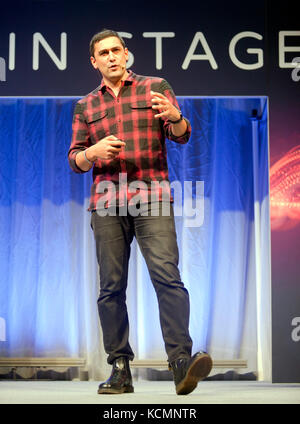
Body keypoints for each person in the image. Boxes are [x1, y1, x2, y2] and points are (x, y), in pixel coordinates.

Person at [68, 29, 212, 395]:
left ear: (126, 53)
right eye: (104, 52)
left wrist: (177, 117)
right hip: (106, 202)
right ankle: (119, 369)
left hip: (152, 197)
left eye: (117, 50)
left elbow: (181, 135)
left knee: (168, 276)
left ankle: (181, 363)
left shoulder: (155, 87)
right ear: (94, 61)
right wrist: (92, 153)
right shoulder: (86, 105)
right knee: (110, 288)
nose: (112, 56)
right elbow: (75, 159)